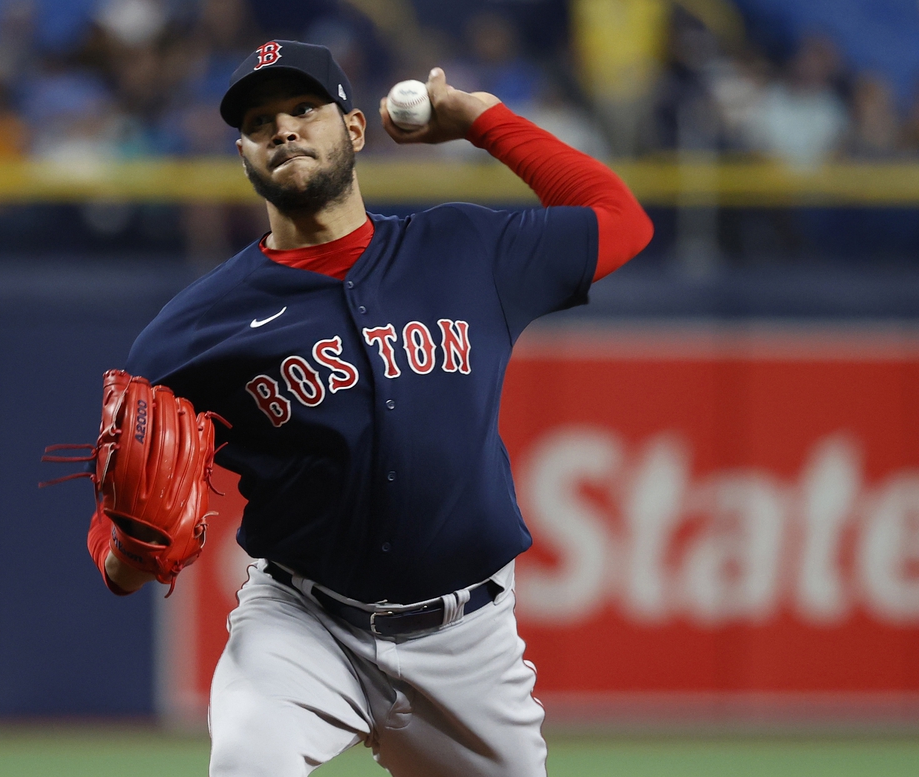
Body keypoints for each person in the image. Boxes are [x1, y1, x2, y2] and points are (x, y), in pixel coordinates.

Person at [86, 40, 652, 776]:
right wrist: (127, 550)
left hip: (467, 641)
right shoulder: (190, 331)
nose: (283, 129)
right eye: (260, 122)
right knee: (246, 762)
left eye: (303, 109)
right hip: (302, 625)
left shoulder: (462, 249)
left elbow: (622, 220)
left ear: (353, 130)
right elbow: (117, 551)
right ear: (244, 154)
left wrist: (485, 121)